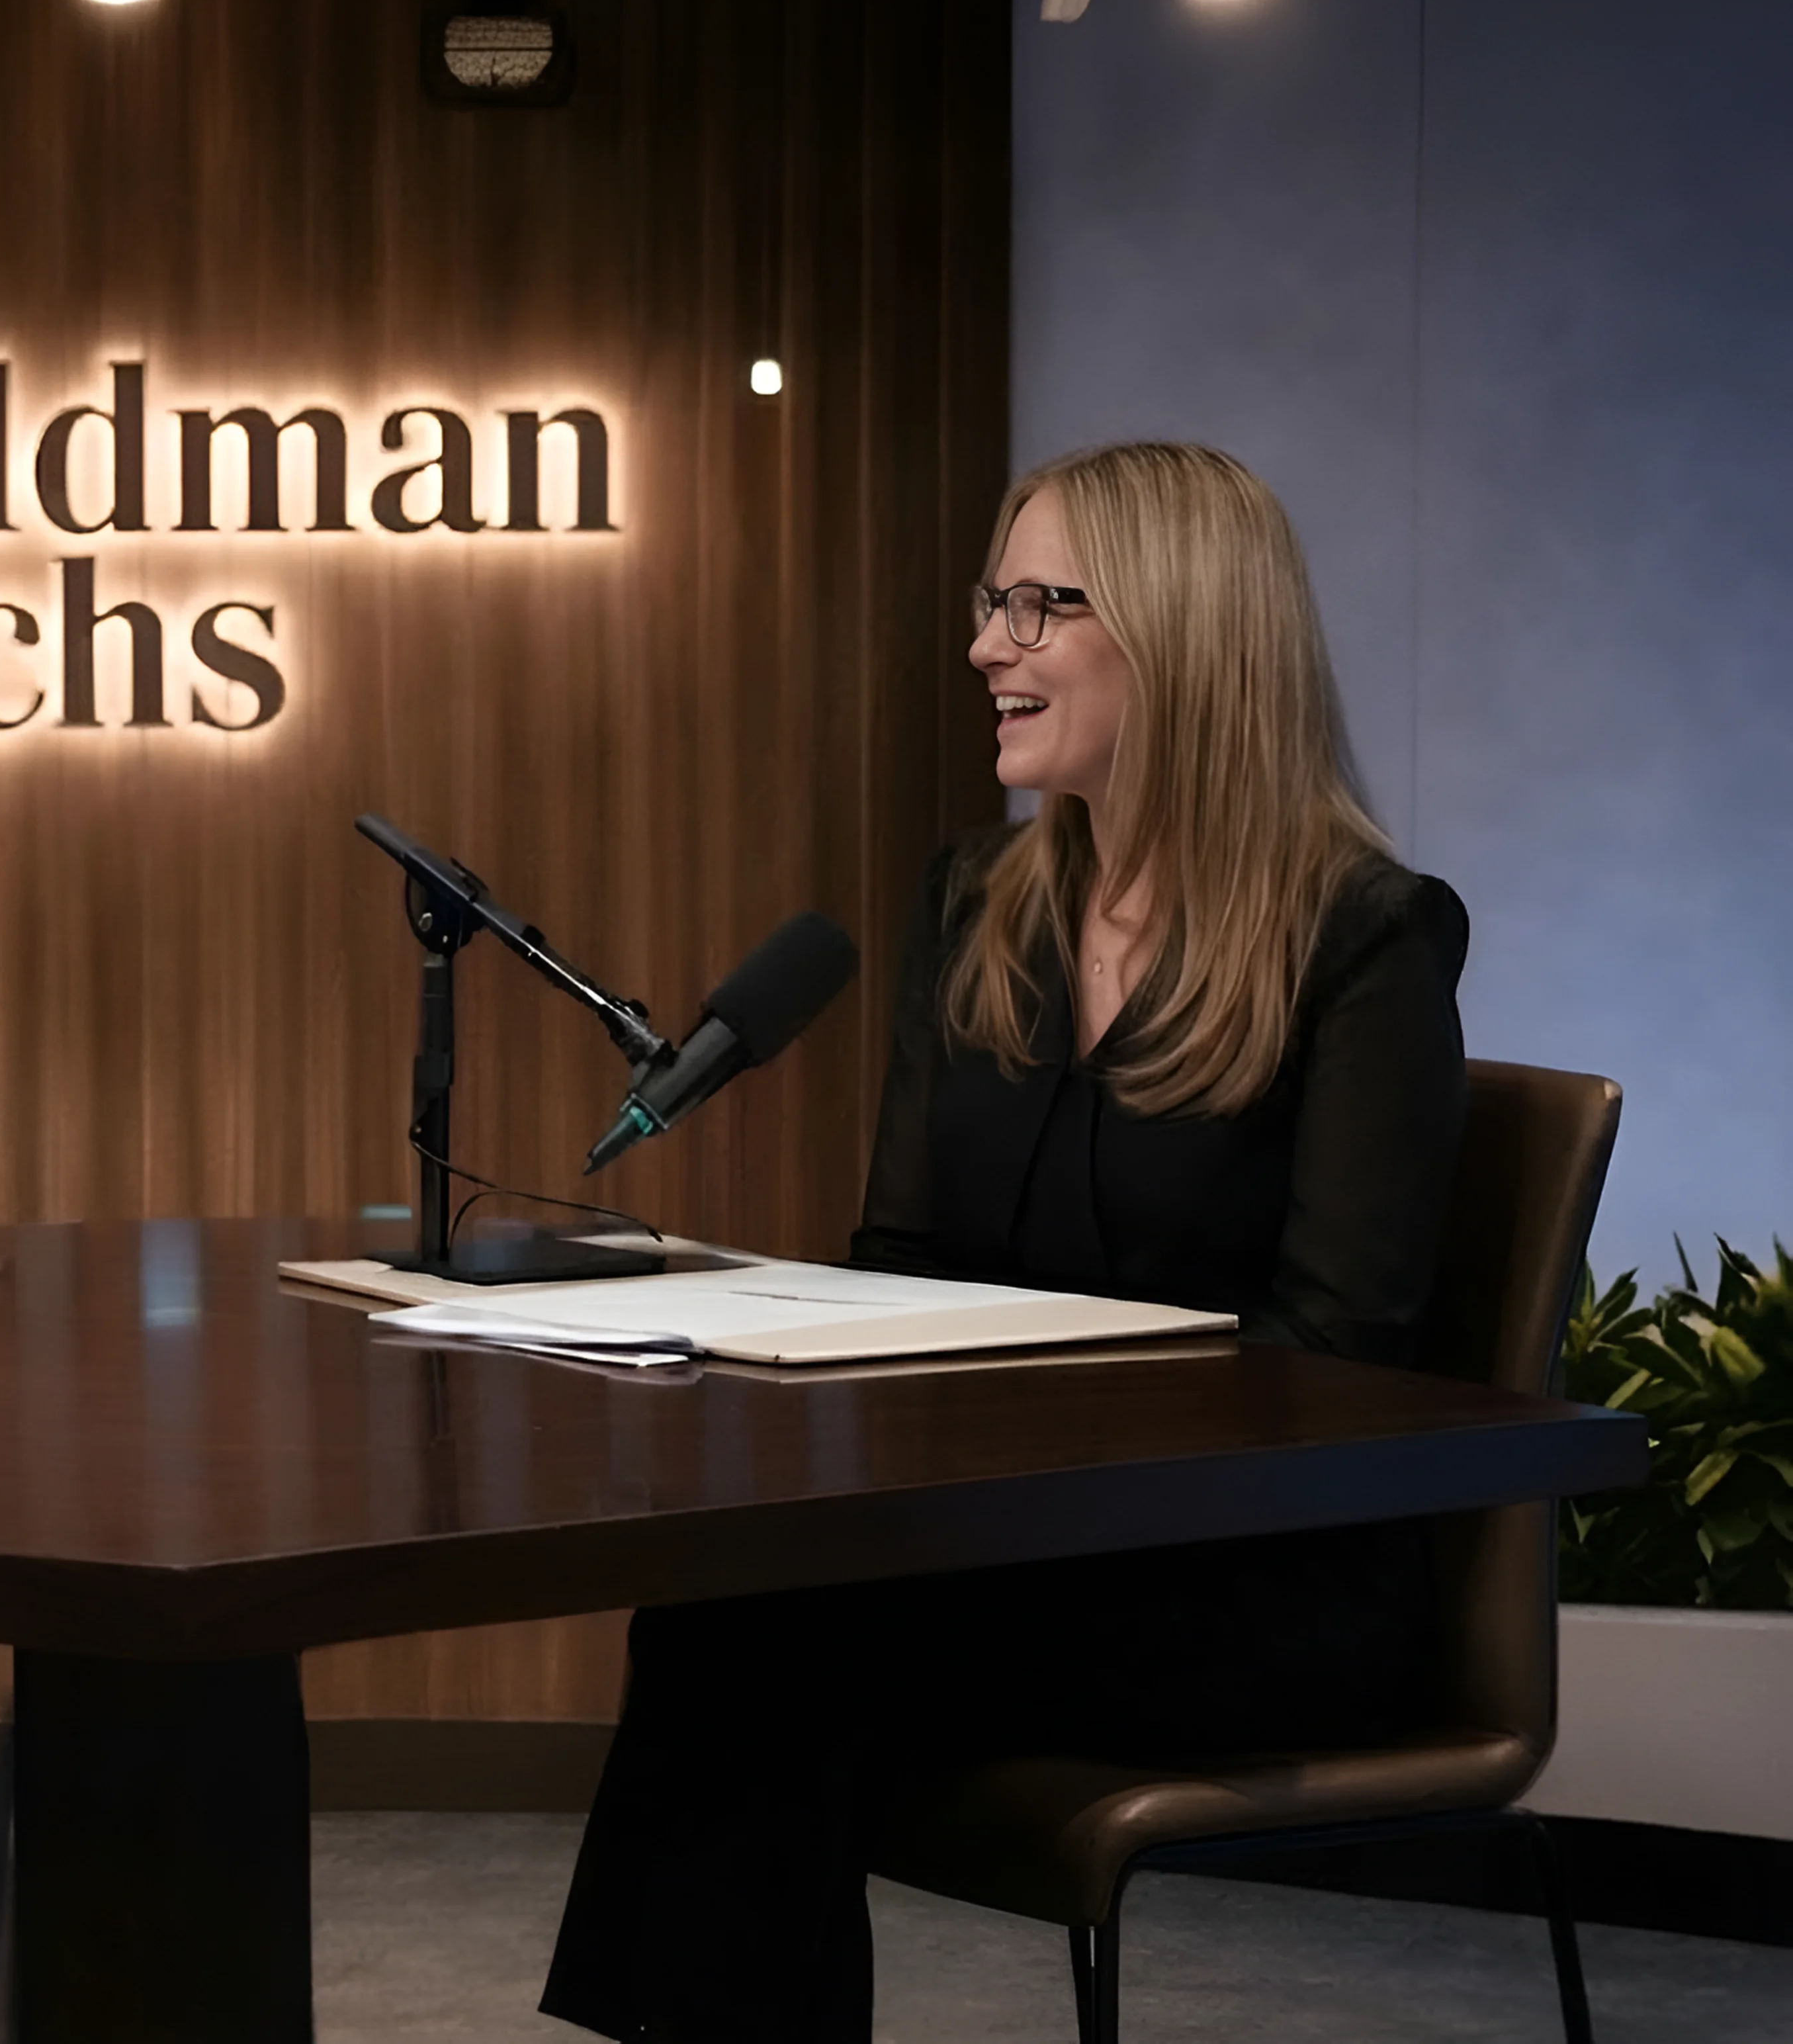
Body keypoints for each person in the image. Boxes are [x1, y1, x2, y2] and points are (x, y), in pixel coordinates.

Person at [539, 441, 1471, 2041]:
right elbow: (898, 1263)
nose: (986, 645)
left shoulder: (1367, 934)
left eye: (1040, 605)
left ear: (1184, 632)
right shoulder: (979, 901)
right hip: (1006, 1542)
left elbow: (1338, 1361)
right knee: (730, 1600)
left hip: (1248, 1574)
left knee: (766, 1637)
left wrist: (1024, 1426)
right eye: (993, 602)